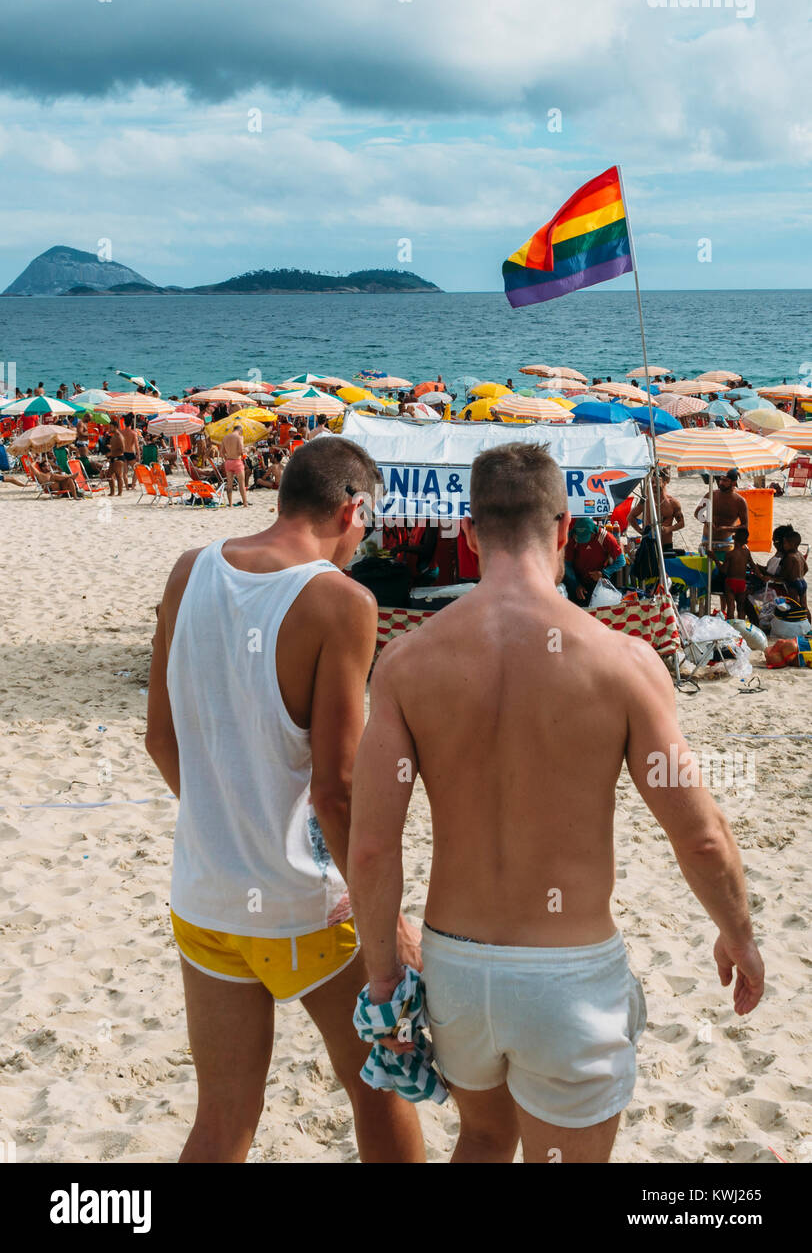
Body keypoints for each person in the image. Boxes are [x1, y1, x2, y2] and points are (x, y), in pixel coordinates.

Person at [348, 442, 764, 1165]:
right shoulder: (624, 663)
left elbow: (375, 847)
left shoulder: (407, 663)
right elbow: (699, 836)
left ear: (470, 534)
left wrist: (385, 978)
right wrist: (738, 932)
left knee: (480, 1139)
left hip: (458, 970)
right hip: (568, 975)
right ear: (566, 529)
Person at [145, 436, 425, 1164]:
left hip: (205, 897)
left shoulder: (188, 573)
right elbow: (336, 788)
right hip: (304, 904)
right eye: (369, 522)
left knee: (224, 1117)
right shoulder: (340, 602)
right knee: (379, 1089)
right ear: (351, 508)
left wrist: (227, 821)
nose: (366, 539)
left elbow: (160, 740)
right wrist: (386, 917)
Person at [563, 515, 624, 604]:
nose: (583, 542)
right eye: (579, 537)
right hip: (578, 579)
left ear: (593, 532)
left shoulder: (605, 537)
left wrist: (604, 573)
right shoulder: (572, 537)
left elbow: (621, 561)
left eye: (586, 538)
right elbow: (567, 564)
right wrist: (576, 585)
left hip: (598, 581)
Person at [628, 468, 684, 552]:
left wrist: (669, 529)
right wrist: (640, 531)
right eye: (652, 483)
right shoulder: (646, 501)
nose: (654, 485)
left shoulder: (673, 503)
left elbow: (682, 523)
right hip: (649, 543)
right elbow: (630, 517)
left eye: (657, 483)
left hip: (666, 544)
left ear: (664, 483)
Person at [697, 470, 748, 557]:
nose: (721, 483)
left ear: (734, 483)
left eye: (725, 480)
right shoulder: (711, 495)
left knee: (722, 569)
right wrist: (707, 522)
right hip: (707, 539)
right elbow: (697, 513)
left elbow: (745, 526)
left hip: (726, 542)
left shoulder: (740, 501)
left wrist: (725, 528)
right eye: (721, 479)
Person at [719, 527, 753, 620]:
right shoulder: (746, 552)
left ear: (733, 537)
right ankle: (741, 627)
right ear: (746, 541)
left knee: (731, 607)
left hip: (730, 582)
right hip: (742, 583)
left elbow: (723, 570)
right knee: (741, 608)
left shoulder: (730, 554)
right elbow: (753, 565)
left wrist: (715, 558)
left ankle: (731, 628)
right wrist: (761, 575)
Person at [219, 423, 250, 507]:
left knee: (229, 484)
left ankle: (231, 504)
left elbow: (221, 452)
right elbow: (240, 451)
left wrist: (227, 459)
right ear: (240, 431)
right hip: (237, 461)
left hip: (228, 462)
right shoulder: (239, 437)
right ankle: (245, 503)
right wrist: (247, 449)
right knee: (241, 484)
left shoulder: (225, 437)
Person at [121, 414, 141, 490]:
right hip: (131, 453)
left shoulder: (122, 432)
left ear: (124, 423)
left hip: (123, 453)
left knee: (125, 472)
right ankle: (133, 485)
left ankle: (126, 486)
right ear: (131, 423)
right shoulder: (133, 433)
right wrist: (138, 455)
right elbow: (137, 445)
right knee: (137, 470)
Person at [106, 424, 125, 496]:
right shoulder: (113, 436)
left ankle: (120, 493)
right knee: (109, 475)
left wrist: (112, 451)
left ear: (116, 427)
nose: (109, 428)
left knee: (118, 476)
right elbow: (115, 447)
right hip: (113, 457)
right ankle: (112, 492)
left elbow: (122, 449)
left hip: (118, 457)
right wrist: (111, 450)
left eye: (111, 427)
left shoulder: (119, 436)